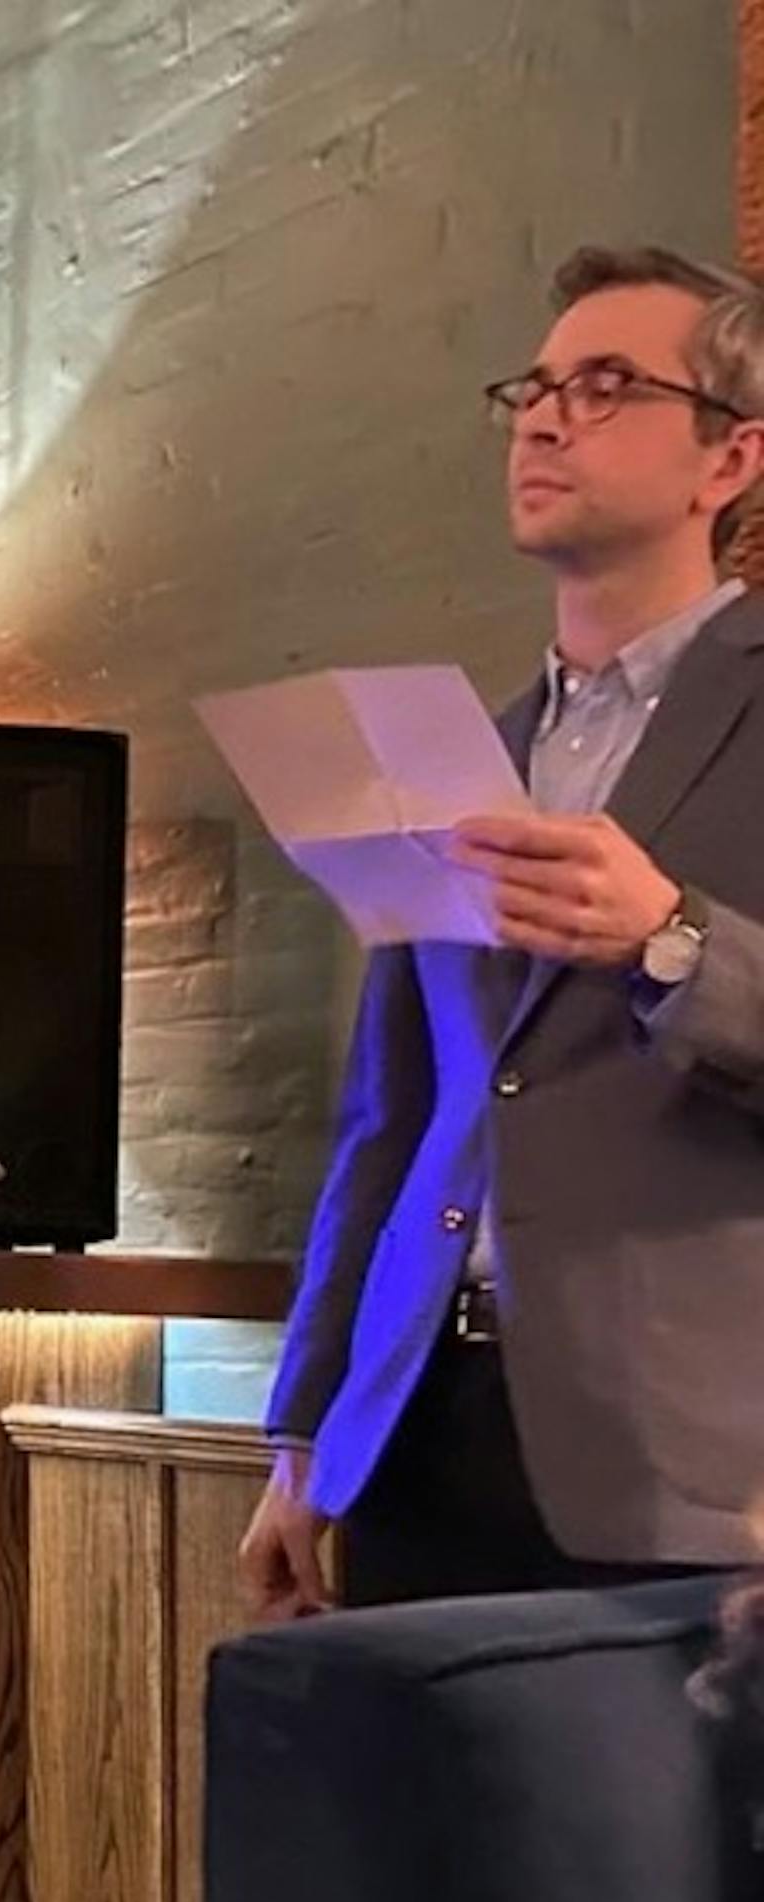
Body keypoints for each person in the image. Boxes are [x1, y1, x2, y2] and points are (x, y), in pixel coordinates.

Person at [240, 245, 764, 1618]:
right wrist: (305, 1432)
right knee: (429, 1838)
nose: (542, 419)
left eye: (605, 386)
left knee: (645, 1845)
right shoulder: (467, 748)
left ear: (731, 461)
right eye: (533, 389)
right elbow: (393, 1112)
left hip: (685, 1474)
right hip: (418, 1433)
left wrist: (672, 941)